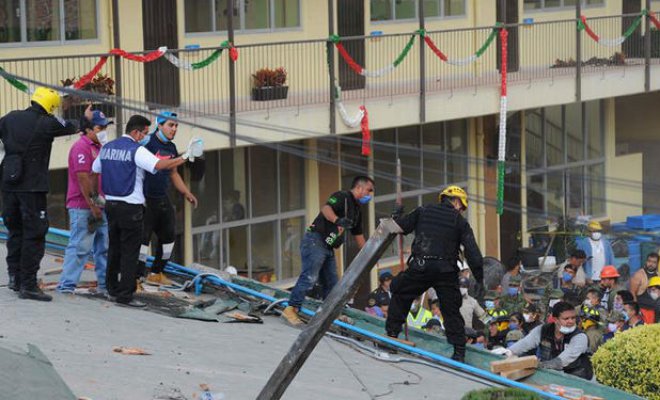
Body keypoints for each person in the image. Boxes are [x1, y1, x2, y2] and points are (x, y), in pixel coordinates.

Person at [92, 115, 198, 307]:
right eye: (144, 133)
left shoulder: (107, 148)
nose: (145, 137)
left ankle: (112, 289)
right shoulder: (136, 150)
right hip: (130, 207)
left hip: (111, 205)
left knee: (114, 249)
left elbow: (95, 170)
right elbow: (160, 165)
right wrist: (184, 157)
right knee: (130, 252)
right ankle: (126, 295)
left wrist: (94, 197)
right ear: (136, 132)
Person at [385, 185, 484, 362]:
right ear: (455, 201)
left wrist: (397, 215)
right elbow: (472, 252)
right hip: (445, 271)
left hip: (421, 266)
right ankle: (459, 352)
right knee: (451, 309)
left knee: (401, 293)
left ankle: (391, 335)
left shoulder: (423, 211)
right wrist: (480, 278)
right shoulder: (459, 221)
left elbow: (400, 227)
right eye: (461, 206)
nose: (461, 210)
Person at [0, 87, 77, 301]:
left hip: (9, 183)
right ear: (50, 106)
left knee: (15, 232)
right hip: (32, 188)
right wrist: (84, 118)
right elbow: (71, 126)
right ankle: (29, 285)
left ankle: (14, 278)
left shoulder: (10, 118)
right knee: (34, 234)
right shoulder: (47, 122)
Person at [282, 176, 374, 326]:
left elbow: (359, 236)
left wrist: (370, 255)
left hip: (328, 247)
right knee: (310, 277)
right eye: (369, 191)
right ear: (359, 188)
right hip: (315, 241)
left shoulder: (357, 211)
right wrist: (337, 220)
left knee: (332, 284)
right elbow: (326, 209)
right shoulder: (342, 197)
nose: (369, 195)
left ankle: (330, 315)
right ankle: (291, 309)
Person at [139, 111, 198, 286]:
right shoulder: (147, 142)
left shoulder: (171, 148)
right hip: (144, 197)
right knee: (142, 240)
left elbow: (173, 173)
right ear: (160, 125)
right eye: (171, 125)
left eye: (176, 126)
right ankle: (136, 277)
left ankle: (157, 272)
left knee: (169, 236)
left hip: (162, 197)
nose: (174, 129)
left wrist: (186, 192)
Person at [56, 110, 111, 294]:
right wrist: (93, 205)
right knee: (80, 247)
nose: (103, 130)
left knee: (103, 247)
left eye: (105, 127)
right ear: (88, 130)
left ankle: (105, 286)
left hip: (100, 204)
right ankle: (66, 287)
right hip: (83, 206)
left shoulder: (100, 146)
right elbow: (83, 178)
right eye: (99, 127)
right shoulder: (82, 147)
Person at [507, 301, 593, 380]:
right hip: (551, 375)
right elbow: (525, 343)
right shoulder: (543, 330)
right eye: (566, 319)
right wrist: (509, 351)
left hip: (576, 377)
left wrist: (540, 365)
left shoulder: (580, 337)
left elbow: (563, 360)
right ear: (555, 319)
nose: (571, 321)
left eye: (573, 318)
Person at [576, 220, 614, 285]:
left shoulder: (606, 243)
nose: (596, 233)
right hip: (590, 278)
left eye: (598, 231)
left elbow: (611, 259)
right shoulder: (583, 243)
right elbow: (578, 262)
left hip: (604, 277)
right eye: (593, 231)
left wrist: (611, 275)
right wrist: (585, 276)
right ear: (589, 232)